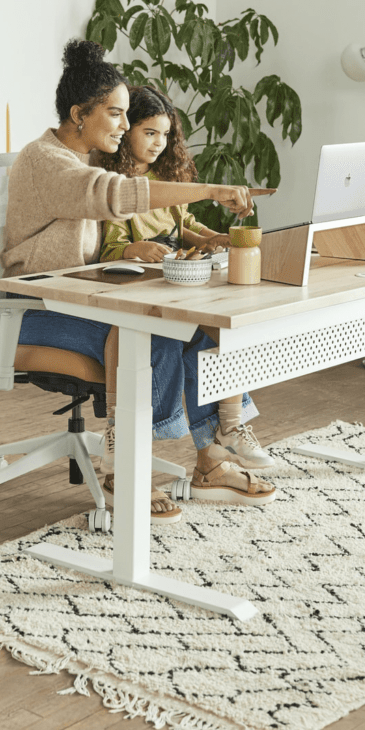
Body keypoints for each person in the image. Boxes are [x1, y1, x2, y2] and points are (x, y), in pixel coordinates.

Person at [1, 40, 275, 524]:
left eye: (128, 115)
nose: (126, 127)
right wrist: (213, 189)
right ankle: (121, 465)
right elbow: (118, 197)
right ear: (78, 113)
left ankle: (212, 459)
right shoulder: (47, 160)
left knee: (197, 326)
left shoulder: (86, 159)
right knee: (148, 328)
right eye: (116, 114)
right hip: (36, 309)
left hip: (82, 295)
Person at [98, 84, 275, 479]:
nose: (159, 143)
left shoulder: (167, 177)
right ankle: (127, 435)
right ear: (126, 130)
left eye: (165, 134)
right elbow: (109, 250)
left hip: (176, 281)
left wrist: (212, 238)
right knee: (187, 333)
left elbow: (185, 226)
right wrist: (133, 249)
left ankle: (228, 428)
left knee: (221, 330)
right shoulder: (112, 183)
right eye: (149, 133)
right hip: (138, 289)